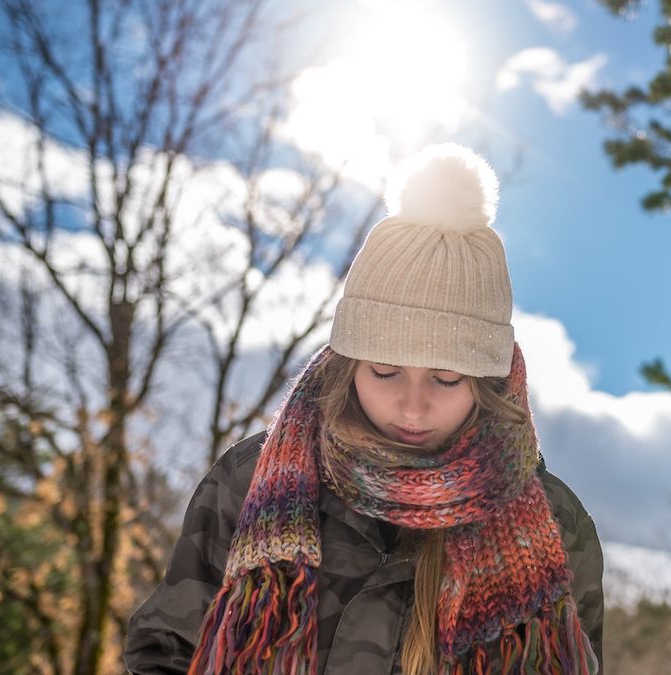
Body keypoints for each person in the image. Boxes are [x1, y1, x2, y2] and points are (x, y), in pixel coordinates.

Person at [124, 144, 604, 675]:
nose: (412, 405)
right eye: (385, 372)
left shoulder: (559, 524)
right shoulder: (247, 481)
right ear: (348, 363)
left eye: (446, 379)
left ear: (489, 381)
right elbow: (165, 651)